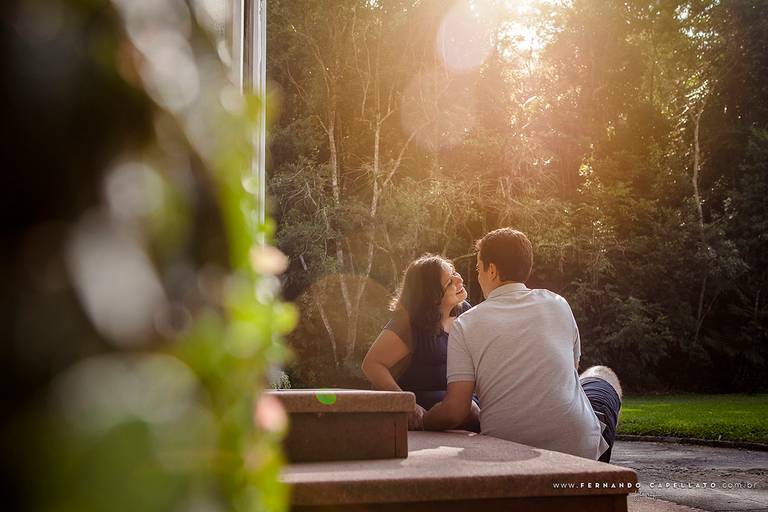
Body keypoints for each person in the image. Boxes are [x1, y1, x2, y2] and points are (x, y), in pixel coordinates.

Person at [422, 228, 622, 462]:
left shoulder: (466, 323)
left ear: (492, 270)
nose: (477, 276)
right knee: (602, 375)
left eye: (478, 269)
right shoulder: (558, 303)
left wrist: (423, 420)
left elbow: (455, 410)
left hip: (507, 452)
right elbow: (572, 367)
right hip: (578, 452)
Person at [362, 254, 479, 430]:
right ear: (432, 297)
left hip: (457, 397)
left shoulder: (465, 313)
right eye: (449, 282)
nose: (459, 279)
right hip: (421, 400)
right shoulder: (408, 323)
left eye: (454, 272)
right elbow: (371, 365)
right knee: (469, 410)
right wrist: (405, 402)